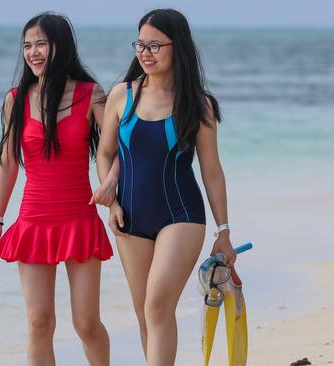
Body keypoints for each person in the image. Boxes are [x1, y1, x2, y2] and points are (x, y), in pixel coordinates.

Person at [92, 9, 237, 365]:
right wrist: (111, 199)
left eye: (155, 45)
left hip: (182, 214)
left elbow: (212, 172)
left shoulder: (197, 105)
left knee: (157, 303)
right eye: (140, 44)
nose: (145, 52)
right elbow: (105, 153)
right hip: (129, 217)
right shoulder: (121, 95)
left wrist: (224, 231)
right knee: (146, 313)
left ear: (178, 47)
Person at [0, 12, 114, 366]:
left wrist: (112, 183)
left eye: (41, 43)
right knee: (39, 322)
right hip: (34, 220)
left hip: (79, 218)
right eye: (27, 45)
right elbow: (9, 163)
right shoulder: (16, 98)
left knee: (86, 323)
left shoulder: (92, 94)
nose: (33, 52)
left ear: (61, 45)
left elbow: (118, 149)